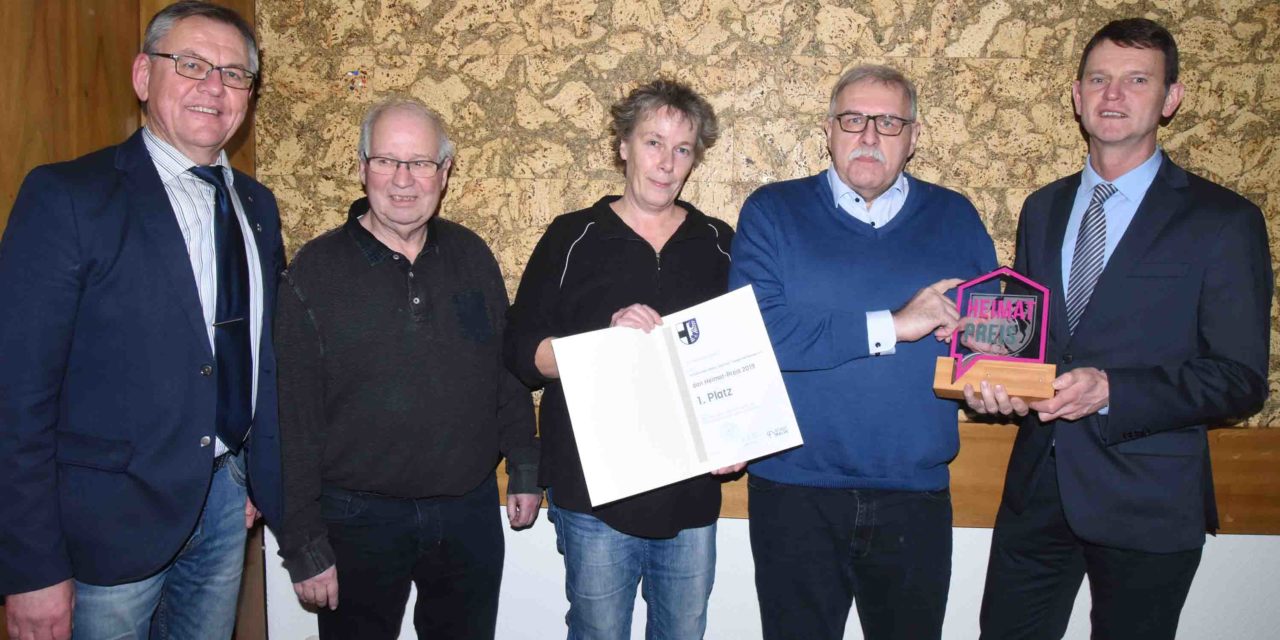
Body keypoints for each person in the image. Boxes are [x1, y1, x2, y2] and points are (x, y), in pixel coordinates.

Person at [968, 18, 1271, 640]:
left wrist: (1113, 390)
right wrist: (996, 379)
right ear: (1076, 96)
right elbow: (1036, 344)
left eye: (1137, 80)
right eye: (1099, 79)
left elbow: (1240, 379)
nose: (1113, 95)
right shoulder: (1043, 208)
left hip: (1148, 498)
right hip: (1037, 491)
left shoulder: (1224, 220)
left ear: (1170, 98)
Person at [0, 2, 283, 638]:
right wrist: (30, 565)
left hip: (225, 503)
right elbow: (15, 395)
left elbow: (259, 357)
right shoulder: (68, 197)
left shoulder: (258, 208)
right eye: (191, 64)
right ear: (142, 75)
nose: (214, 86)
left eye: (234, 74)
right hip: (104, 530)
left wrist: (259, 477)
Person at [728, 64, 997, 640]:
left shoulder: (956, 217)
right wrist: (896, 325)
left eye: (889, 122)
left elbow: (989, 342)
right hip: (794, 490)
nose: (869, 135)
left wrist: (994, 373)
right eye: (853, 120)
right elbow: (759, 335)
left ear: (914, 137)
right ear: (828, 130)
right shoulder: (772, 211)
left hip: (915, 493)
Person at [275, 97, 541, 639]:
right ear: (362, 167)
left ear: (444, 172)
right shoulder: (314, 272)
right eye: (386, 161)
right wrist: (302, 543)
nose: (403, 179)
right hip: (355, 520)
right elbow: (291, 418)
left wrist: (525, 466)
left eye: (420, 162)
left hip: (467, 512)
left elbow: (503, 371)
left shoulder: (472, 256)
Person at [505, 78, 741, 639]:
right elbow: (520, 354)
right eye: (653, 142)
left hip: (690, 493)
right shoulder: (571, 237)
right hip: (593, 495)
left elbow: (740, 359)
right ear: (623, 147)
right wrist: (603, 345)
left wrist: (737, 436)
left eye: (682, 149)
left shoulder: (718, 242)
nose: (666, 163)